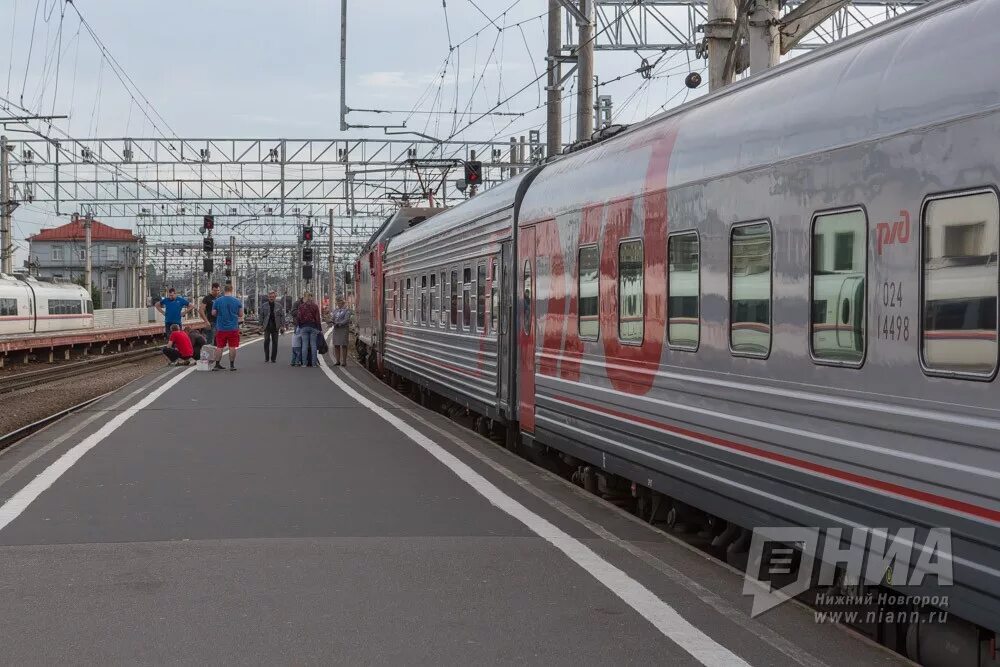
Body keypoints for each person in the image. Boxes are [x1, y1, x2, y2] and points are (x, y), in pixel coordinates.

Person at [211, 284, 244, 371]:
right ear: (232, 290)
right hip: (233, 328)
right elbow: (241, 314)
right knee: (232, 347)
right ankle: (232, 365)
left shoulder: (217, 301)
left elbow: (213, 313)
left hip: (221, 328)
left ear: (223, 290)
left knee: (219, 346)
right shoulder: (237, 301)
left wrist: (220, 314)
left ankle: (217, 365)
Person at [296, 292, 322, 368]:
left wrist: (300, 326)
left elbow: (299, 317)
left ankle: (304, 363)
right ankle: (314, 364)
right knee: (313, 345)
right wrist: (319, 328)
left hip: (304, 327)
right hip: (313, 326)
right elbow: (317, 318)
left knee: (304, 345)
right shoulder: (315, 306)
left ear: (305, 297)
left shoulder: (301, 306)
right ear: (311, 297)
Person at [258, 290, 285, 363]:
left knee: (275, 342)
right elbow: (261, 316)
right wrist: (260, 325)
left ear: (275, 297)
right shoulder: (264, 305)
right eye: (270, 297)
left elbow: (282, 316)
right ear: (268, 297)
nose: (271, 298)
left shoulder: (279, 306)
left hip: (276, 326)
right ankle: (266, 357)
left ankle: (273, 358)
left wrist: (282, 326)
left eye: (273, 297)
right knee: (266, 341)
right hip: (267, 325)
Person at [330, 297, 352, 367]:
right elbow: (332, 317)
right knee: (336, 345)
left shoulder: (347, 310)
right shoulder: (335, 310)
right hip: (336, 329)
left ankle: (344, 362)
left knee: (344, 345)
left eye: (340, 302)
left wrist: (339, 323)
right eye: (337, 303)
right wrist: (330, 321)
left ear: (343, 303)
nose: (338, 304)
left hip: (343, 329)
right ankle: (337, 361)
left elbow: (346, 319)